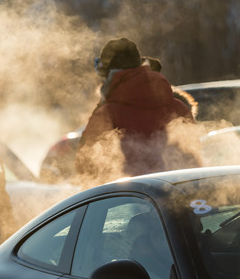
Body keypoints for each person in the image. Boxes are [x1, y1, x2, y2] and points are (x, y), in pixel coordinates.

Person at [75, 38, 194, 184]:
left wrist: (103, 101)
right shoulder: (179, 108)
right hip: (180, 195)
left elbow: (86, 166)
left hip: (130, 200)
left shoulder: (107, 115)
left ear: (109, 73)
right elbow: (193, 160)